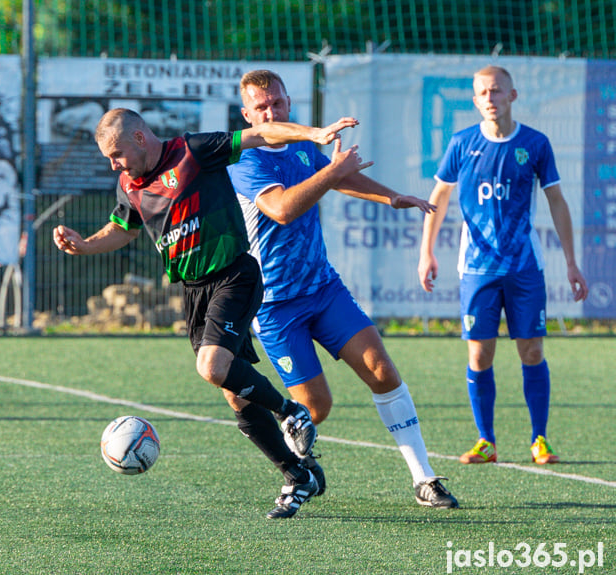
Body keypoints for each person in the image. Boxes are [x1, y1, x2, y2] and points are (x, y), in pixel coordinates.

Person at [53, 108, 356, 518]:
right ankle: (297, 475)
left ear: (140, 139)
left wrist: (315, 133)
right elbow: (122, 229)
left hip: (234, 275)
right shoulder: (129, 183)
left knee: (212, 367)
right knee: (234, 392)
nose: (113, 163)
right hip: (194, 292)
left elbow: (259, 133)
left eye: (117, 153)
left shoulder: (192, 151)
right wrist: (84, 244)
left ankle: (291, 412)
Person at [227, 69, 458, 508]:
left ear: (289, 103)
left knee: (381, 369)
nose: (271, 111)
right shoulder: (245, 158)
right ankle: (295, 470)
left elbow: (340, 178)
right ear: (247, 115)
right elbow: (280, 210)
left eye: (277, 103)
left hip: (322, 288)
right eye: (261, 107)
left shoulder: (301, 145)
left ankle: (424, 479)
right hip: (275, 304)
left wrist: (392, 197)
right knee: (315, 408)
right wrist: (331, 170)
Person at [418, 65, 588, 465]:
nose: (490, 99)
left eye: (496, 91)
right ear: (474, 100)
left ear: (512, 95)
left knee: (531, 350)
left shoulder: (535, 143)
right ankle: (486, 441)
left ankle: (539, 439)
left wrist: (571, 262)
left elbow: (556, 201)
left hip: (524, 267)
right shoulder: (461, 143)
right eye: (482, 93)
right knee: (480, 356)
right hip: (477, 269)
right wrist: (426, 252)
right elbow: (438, 196)